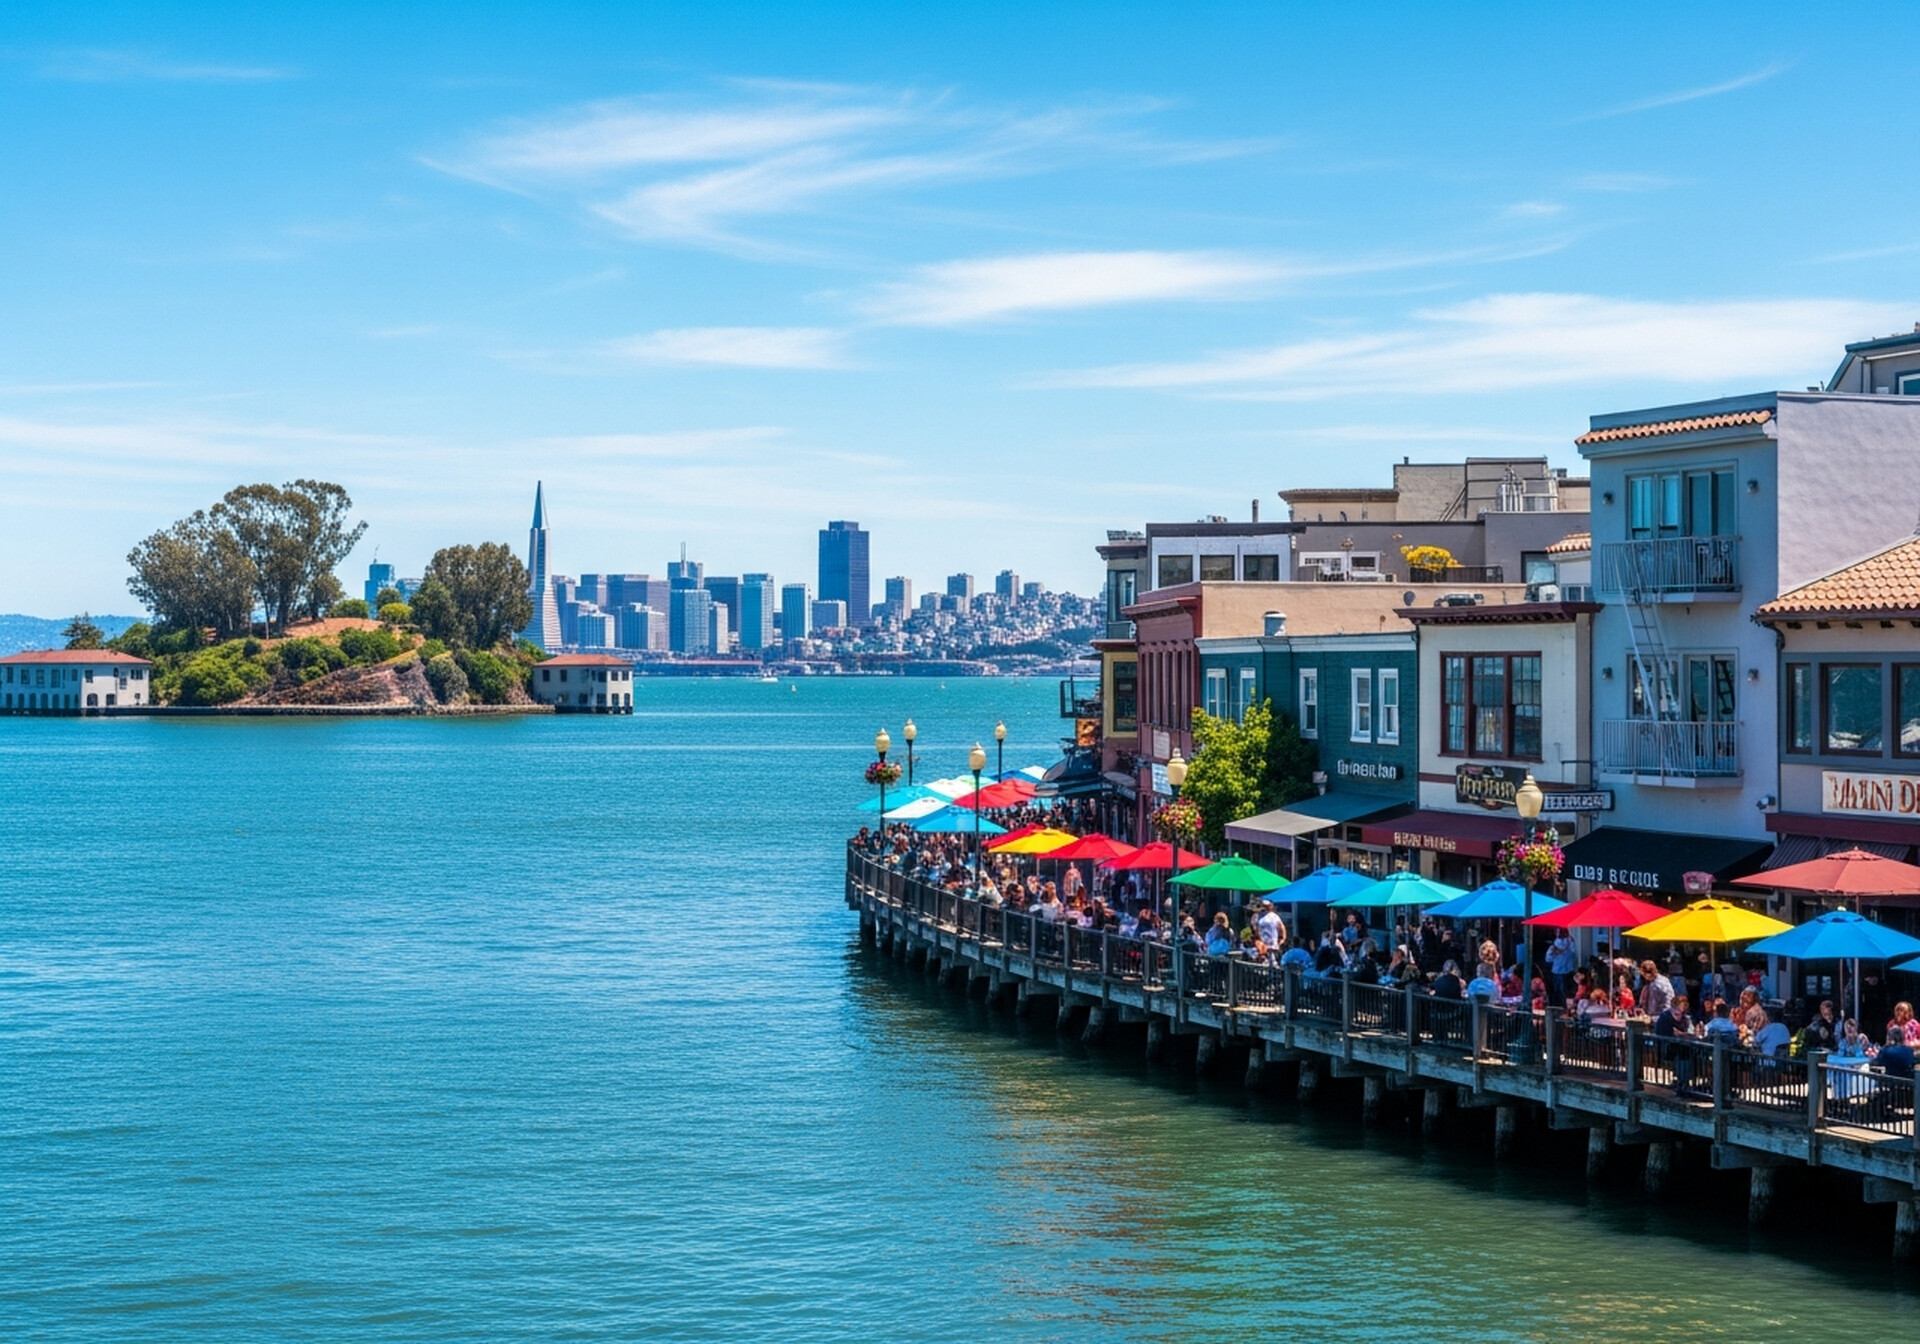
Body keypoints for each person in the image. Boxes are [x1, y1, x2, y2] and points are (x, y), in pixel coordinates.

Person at [1653, 994, 1695, 1091]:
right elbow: (1662, 1035)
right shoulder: (1664, 1018)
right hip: (1666, 1046)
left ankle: (1685, 1080)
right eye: (1677, 1013)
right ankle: (1682, 1082)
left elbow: (1689, 1031)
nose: (1680, 1015)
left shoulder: (1685, 1018)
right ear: (1672, 1009)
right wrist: (1678, 1035)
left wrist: (1683, 1034)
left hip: (1681, 1045)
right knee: (1682, 1051)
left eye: (1682, 1012)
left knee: (1690, 1051)